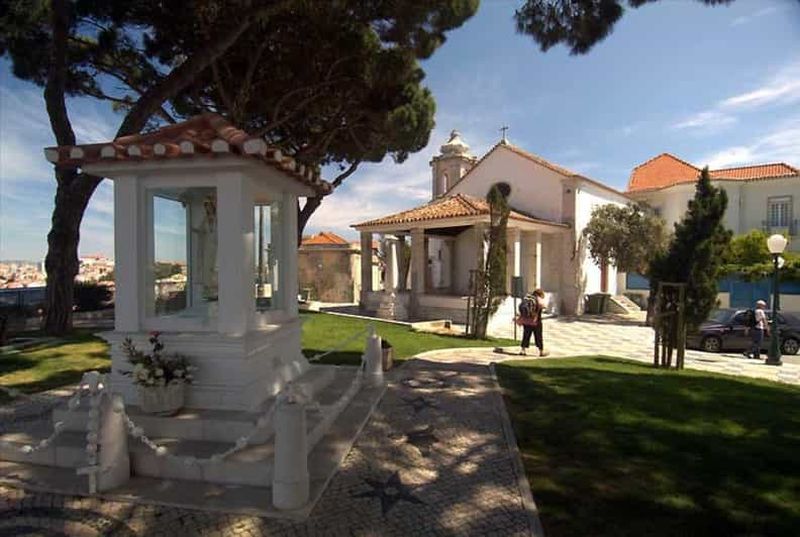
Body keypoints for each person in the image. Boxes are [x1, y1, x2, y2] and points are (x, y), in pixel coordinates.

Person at [517, 288, 549, 356]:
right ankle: (541, 351)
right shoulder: (538, 299)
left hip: (527, 321)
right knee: (538, 336)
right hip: (536, 321)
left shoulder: (527, 298)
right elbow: (544, 306)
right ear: (540, 294)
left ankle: (523, 350)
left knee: (526, 335)